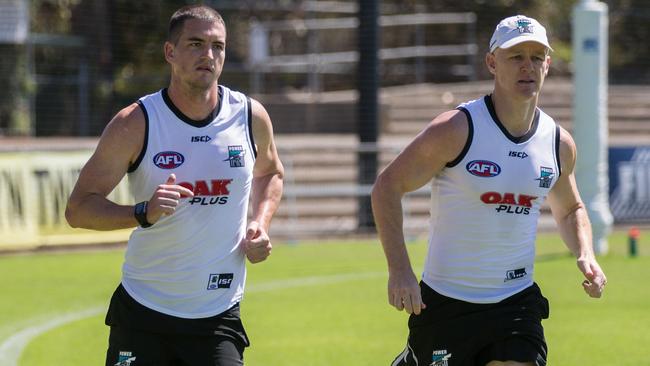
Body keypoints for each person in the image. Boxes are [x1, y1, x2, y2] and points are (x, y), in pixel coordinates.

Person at [371, 15, 606, 366]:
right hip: (447, 302)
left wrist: (585, 252)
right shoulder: (456, 129)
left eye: (537, 57)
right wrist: (400, 270)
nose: (528, 66)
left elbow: (570, 209)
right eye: (516, 56)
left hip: (515, 303)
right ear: (492, 63)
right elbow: (386, 187)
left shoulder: (558, 144)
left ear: (548, 65)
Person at [65, 4, 284, 366]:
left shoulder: (249, 116)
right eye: (196, 44)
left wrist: (260, 222)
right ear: (170, 52)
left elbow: (270, 173)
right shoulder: (135, 123)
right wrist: (143, 213)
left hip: (217, 317)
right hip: (144, 312)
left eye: (218, 46)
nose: (209, 55)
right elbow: (78, 209)